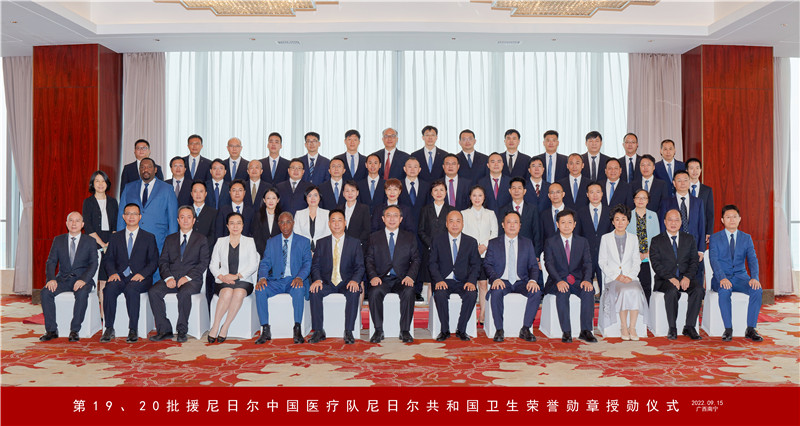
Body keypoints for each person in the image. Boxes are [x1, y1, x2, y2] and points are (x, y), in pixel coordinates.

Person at [148, 206, 211, 343]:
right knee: (153, 291)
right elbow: (163, 261)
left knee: (184, 293)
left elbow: (203, 263)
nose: (185, 220)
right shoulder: (170, 239)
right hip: (171, 278)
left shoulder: (201, 239)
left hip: (192, 280)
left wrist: (187, 277)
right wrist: (168, 277)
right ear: (178, 220)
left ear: (194, 220)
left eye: (189, 217)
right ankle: (164, 330)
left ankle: (182, 330)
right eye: (182, 217)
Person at [100, 203, 158, 343]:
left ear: (140, 217)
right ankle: (109, 328)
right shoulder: (115, 237)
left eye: (134, 214)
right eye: (128, 214)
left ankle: (133, 329)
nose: (131, 216)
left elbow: (154, 261)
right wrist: (112, 273)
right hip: (119, 276)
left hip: (141, 277)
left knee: (132, 289)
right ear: (124, 216)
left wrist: (142, 274)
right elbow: (108, 259)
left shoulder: (149, 237)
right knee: (109, 289)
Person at [39, 212, 99, 342]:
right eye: (71, 220)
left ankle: (74, 330)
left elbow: (94, 263)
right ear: (66, 223)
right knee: (45, 292)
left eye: (77, 221)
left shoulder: (90, 241)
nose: (74, 223)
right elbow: (51, 262)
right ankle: (51, 330)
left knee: (82, 293)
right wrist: (51, 279)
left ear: (82, 224)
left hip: (82, 280)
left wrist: (84, 279)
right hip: (63, 279)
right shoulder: (58, 240)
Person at [308, 209, 365, 344]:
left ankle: (348, 331)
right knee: (314, 291)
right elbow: (315, 265)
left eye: (340, 220)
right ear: (329, 224)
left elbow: (360, 266)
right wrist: (317, 280)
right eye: (333, 221)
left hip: (346, 283)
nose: (336, 224)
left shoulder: (354, 243)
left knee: (354, 291)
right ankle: (318, 331)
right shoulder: (321, 243)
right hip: (327, 283)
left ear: (345, 223)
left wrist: (355, 280)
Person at [254, 212, 312, 344]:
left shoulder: (303, 242)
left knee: (299, 289)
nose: (285, 226)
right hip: (276, 280)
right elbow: (265, 263)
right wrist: (262, 277)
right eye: (282, 222)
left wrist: (300, 277)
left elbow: (307, 263)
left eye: (288, 222)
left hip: (294, 280)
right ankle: (265, 329)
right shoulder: (271, 242)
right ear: (278, 224)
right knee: (260, 290)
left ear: (293, 223)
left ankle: (297, 329)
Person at [365, 205, 421, 344]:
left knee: (409, 291)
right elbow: (369, 259)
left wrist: (410, 276)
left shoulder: (409, 237)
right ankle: (378, 330)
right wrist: (373, 276)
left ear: (401, 219)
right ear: (383, 218)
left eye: (395, 216)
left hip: (402, 279)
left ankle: (405, 330)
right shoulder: (374, 237)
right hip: (381, 279)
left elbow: (416, 259)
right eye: (388, 215)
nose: (392, 219)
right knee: (374, 292)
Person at [708, 205, 763, 342]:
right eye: (728, 217)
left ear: (739, 219)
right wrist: (722, 278)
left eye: (734, 217)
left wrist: (754, 277)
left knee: (757, 289)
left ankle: (751, 329)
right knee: (725, 290)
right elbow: (714, 260)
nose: (731, 220)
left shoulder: (746, 238)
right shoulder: (715, 238)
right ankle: (728, 329)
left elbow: (752, 259)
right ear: (722, 220)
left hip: (741, 278)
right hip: (721, 278)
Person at [484, 211, 541, 342]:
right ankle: (499, 329)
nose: (512, 225)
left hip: (522, 282)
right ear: (503, 225)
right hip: (502, 281)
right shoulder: (493, 243)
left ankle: (525, 329)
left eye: (515, 222)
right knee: (496, 291)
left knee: (536, 292)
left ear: (520, 225)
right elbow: (487, 264)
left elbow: (533, 265)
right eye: (508, 222)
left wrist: (533, 280)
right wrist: (495, 279)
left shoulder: (527, 243)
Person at [649, 209, 704, 340]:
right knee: (672, 291)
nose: (673, 223)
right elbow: (656, 264)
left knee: (698, 290)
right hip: (665, 280)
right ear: (664, 222)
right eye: (670, 220)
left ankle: (689, 327)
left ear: (681, 222)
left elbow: (694, 261)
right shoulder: (656, 240)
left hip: (685, 277)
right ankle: (672, 328)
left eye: (676, 220)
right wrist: (670, 277)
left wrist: (687, 277)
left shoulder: (689, 239)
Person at [543, 210, 596, 343]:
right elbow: (549, 264)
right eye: (563, 222)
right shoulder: (551, 242)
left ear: (574, 224)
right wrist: (558, 281)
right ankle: (566, 332)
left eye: (569, 222)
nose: (566, 226)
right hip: (557, 280)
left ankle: (586, 331)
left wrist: (587, 280)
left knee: (588, 291)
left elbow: (587, 263)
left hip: (577, 280)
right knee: (562, 292)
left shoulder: (582, 242)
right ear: (557, 224)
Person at [598, 204, 649, 340]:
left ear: (628, 221)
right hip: (613, 279)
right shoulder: (605, 238)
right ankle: (623, 326)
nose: (620, 222)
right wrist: (617, 276)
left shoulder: (633, 238)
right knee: (625, 291)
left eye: (623, 219)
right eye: (617, 219)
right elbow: (602, 262)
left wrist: (630, 276)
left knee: (635, 290)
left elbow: (636, 261)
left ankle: (632, 327)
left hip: (630, 278)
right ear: (612, 221)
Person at [208, 212, 259, 343]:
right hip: (224, 280)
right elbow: (213, 264)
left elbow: (253, 265)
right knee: (226, 293)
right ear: (227, 226)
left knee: (238, 293)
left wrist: (237, 276)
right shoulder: (220, 241)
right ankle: (215, 326)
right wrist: (222, 276)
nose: (235, 226)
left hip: (243, 280)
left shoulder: (249, 242)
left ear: (243, 226)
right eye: (232, 223)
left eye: (238, 223)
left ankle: (225, 326)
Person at [429, 211, 480, 341]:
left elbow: (475, 265)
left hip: (464, 281)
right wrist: (438, 280)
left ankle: (461, 330)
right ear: (446, 224)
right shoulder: (437, 240)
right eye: (451, 221)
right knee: (440, 294)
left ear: (463, 223)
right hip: (444, 280)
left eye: (458, 221)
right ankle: (444, 330)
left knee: (471, 294)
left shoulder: (471, 242)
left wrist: (471, 281)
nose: (455, 224)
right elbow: (432, 263)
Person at [117, 157, 178, 252]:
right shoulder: (129, 188)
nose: (145, 170)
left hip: (159, 241)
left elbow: (173, 220)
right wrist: (120, 240)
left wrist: (172, 244)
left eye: (149, 167)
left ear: (155, 170)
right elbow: (121, 215)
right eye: (142, 167)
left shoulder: (167, 189)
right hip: (132, 241)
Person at [461, 185, 498, 326]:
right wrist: (473, 247)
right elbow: (461, 232)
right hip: (468, 254)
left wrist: (484, 245)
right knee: (469, 284)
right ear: (470, 197)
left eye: (480, 195)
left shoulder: (490, 213)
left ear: (484, 198)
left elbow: (494, 233)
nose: (477, 198)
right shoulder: (463, 213)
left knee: (483, 284)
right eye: (474, 195)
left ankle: (483, 313)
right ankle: (468, 315)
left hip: (485, 253)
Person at [82, 170, 118, 308]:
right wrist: (103, 244)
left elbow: (115, 225)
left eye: (103, 181)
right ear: (93, 184)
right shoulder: (88, 202)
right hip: (94, 242)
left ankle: (103, 313)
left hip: (110, 242)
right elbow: (88, 227)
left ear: (107, 183)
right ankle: (93, 312)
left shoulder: (113, 202)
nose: (100, 184)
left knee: (105, 280)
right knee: (93, 280)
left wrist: (110, 243)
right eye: (97, 181)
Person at [660, 171, 706, 270]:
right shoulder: (666, 202)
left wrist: (701, 250)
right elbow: (663, 226)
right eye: (679, 180)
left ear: (689, 182)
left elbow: (701, 226)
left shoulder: (698, 202)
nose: (683, 183)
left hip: (694, 247)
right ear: (674, 183)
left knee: (695, 276)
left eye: (685, 180)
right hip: (673, 248)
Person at [418, 180, 455, 294]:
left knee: (443, 281)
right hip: (429, 250)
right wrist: (431, 244)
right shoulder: (425, 209)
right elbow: (421, 230)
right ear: (431, 193)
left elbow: (454, 229)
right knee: (431, 283)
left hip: (446, 250)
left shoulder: (451, 210)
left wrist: (443, 245)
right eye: (435, 190)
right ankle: (431, 306)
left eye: (441, 190)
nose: (439, 193)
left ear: (446, 192)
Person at [626, 189, 661, 303]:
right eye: (638, 197)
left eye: (644, 198)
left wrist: (647, 254)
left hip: (648, 257)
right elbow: (626, 238)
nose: (641, 200)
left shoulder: (653, 215)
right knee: (632, 286)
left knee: (647, 286)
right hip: (632, 258)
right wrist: (637, 254)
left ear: (648, 200)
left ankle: (647, 311)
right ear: (634, 200)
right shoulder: (628, 215)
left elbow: (657, 238)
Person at [577, 182, 612, 294]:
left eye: (598, 192)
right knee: (586, 288)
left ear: (602, 194)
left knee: (606, 289)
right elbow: (577, 235)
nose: (595, 195)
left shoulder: (610, 211)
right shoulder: (580, 212)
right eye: (591, 192)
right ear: (587, 194)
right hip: (586, 256)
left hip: (606, 256)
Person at [498, 177, 543, 260]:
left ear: (524, 191)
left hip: (528, 251)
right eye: (513, 188)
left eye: (519, 188)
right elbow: (501, 232)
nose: (516, 191)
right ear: (510, 191)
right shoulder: (503, 210)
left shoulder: (532, 209)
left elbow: (537, 233)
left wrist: (536, 255)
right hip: (508, 250)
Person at [293, 186, 331, 252]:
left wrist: (319, 250)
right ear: (306, 198)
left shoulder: (326, 213)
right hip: (303, 250)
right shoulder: (299, 214)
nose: (313, 198)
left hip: (322, 250)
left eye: (315, 195)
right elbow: (297, 234)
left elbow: (328, 233)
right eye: (309, 196)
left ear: (319, 197)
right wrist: (307, 251)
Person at [686, 157, 715, 244]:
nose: (695, 171)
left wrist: (709, 232)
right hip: (685, 230)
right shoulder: (682, 189)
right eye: (691, 168)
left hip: (701, 231)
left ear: (701, 170)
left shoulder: (707, 190)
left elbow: (710, 213)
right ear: (687, 170)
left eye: (697, 168)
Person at [398, 156, 430, 227]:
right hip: (402, 226)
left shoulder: (426, 186)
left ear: (419, 169)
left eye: (415, 167)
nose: (412, 169)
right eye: (409, 167)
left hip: (422, 225)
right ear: (404, 169)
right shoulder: (398, 185)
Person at [251, 188, 283, 255]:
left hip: (278, 252)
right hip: (262, 253)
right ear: (264, 200)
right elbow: (256, 237)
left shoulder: (282, 216)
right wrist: (264, 252)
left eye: (273, 198)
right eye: (268, 198)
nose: (271, 201)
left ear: (278, 200)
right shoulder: (258, 216)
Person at [342, 181, 371, 246]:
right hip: (341, 244)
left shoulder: (364, 208)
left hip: (358, 245)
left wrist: (356, 242)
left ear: (357, 193)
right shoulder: (339, 208)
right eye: (347, 191)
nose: (350, 193)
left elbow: (367, 229)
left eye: (352, 190)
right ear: (343, 193)